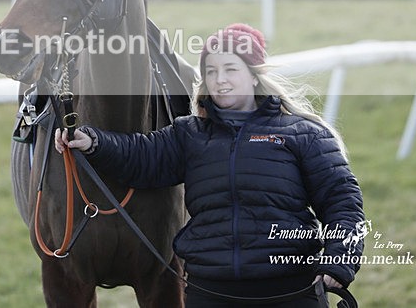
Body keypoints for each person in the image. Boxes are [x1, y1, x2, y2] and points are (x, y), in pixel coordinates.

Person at [55, 23, 365, 307]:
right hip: (210, 291)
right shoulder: (189, 134)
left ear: (254, 74)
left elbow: (343, 202)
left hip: (290, 291)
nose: (220, 80)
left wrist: (341, 259)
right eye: (212, 71)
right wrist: (93, 141)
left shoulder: (304, 134)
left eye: (231, 69)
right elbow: (141, 156)